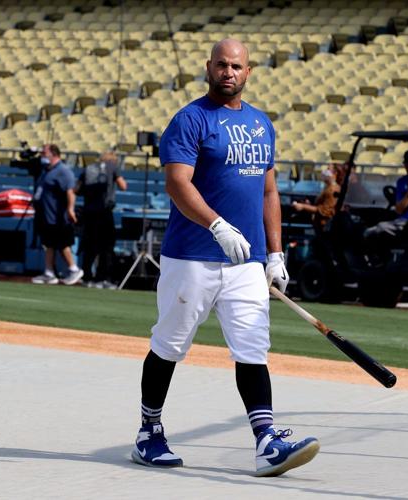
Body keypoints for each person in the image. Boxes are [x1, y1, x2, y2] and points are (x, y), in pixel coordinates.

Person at [131, 39, 319, 477]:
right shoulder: (190, 120)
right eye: (221, 64)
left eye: (236, 66)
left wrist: (274, 252)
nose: (228, 72)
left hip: (247, 262)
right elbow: (178, 185)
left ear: (248, 72)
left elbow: (269, 192)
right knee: (170, 345)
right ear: (208, 67)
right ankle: (149, 432)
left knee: (253, 349)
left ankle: (267, 441)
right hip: (192, 256)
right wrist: (216, 224)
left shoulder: (260, 123)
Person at [31, 144, 83, 285]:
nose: (42, 156)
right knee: (49, 244)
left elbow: (70, 191)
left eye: (44, 153)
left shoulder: (63, 171)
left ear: (53, 154)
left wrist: (70, 209)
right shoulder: (47, 170)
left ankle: (74, 269)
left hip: (57, 216)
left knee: (62, 244)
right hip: (47, 215)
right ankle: (49, 272)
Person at [76, 151, 127, 288]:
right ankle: (102, 278)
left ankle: (87, 277)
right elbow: (123, 185)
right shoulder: (112, 167)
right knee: (106, 246)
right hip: (104, 212)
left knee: (89, 246)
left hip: (88, 212)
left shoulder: (89, 168)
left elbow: (77, 189)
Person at [291, 164, 340, 234]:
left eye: (328, 169)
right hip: (319, 225)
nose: (325, 171)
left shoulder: (333, 190)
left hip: (325, 227)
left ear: (335, 173)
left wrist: (303, 207)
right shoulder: (327, 187)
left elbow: (325, 211)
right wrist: (309, 205)